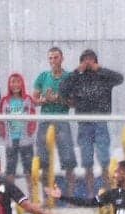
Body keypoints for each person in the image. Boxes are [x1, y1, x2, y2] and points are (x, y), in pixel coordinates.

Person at [59, 49, 123, 197]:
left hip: (100, 121)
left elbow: (119, 78)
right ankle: (90, 195)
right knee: (87, 162)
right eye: (85, 60)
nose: (88, 62)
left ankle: (106, 193)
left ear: (96, 61)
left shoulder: (103, 76)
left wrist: (99, 69)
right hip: (83, 122)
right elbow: (62, 88)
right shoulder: (76, 77)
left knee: (104, 160)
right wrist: (76, 71)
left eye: (91, 59)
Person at [33, 47, 77, 197]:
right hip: (45, 122)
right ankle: (47, 198)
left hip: (62, 121)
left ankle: (70, 197)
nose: (53, 61)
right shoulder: (42, 76)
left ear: (62, 58)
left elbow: (74, 102)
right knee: (44, 161)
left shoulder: (68, 77)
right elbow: (34, 100)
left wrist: (58, 98)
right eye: (50, 58)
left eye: (56, 57)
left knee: (69, 161)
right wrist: (45, 99)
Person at [0, 72, 36, 196]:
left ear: (22, 83)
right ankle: (10, 196)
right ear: (9, 84)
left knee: (28, 169)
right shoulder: (4, 101)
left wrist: (30, 130)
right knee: (10, 170)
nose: (15, 85)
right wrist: (3, 133)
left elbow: (33, 115)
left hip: (25, 140)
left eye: (18, 81)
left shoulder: (27, 99)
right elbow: (0, 118)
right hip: (10, 140)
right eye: (12, 82)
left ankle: (32, 196)